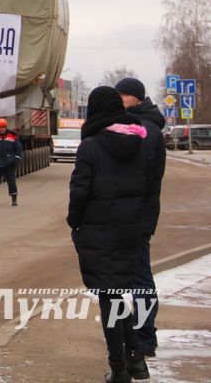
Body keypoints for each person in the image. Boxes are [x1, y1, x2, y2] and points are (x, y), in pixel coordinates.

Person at [68, 86, 150, 383]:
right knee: (116, 295)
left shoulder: (90, 146)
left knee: (109, 300)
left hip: (98, 231)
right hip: (127, 230)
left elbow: (79, 191)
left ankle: (119, 369)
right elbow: (146, 186)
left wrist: (73, 222)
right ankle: (137, 361)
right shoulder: (137, 142)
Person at [115, 77, 166, 358]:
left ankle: (144, 338)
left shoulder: (144, 129)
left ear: (136, 97)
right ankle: (139, 335)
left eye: (124, 94)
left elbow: (139, 175)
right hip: (137, 214)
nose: (120, 98)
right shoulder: (143, 123)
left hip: (136, 215)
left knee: (140, 281)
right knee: (135, 279)